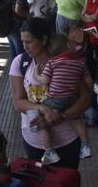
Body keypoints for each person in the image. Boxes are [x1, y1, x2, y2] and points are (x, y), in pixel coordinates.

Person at [9, 18, 90, 169]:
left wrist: (61, 116)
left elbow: (85, 99)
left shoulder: (64, 61)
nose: (24, 46)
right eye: (23, 41)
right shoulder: (20, 62)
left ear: (44, 40)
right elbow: (18, 102)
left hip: (67, 140)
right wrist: (43, 109)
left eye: (30, 42)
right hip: (33, 140)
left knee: (67, 185)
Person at [33, 33, 93, 164]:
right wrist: (89, 89)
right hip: (72, 99)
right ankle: (86, 146)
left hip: (55, 100)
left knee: (42, 119)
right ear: (67, 45)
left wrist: (36, 74)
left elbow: (44, 80)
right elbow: (88, 80)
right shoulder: (80, 63)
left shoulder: (53, 63)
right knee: (78, 120)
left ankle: (49, 151)